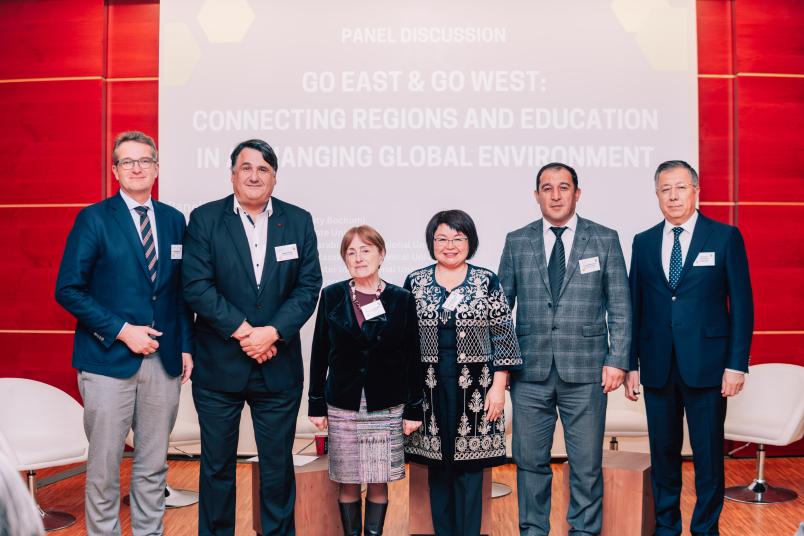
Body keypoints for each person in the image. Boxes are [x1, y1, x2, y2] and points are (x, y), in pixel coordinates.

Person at [55, 131, 194, 536]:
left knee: (153, 464)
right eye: (127, 161)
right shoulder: (94, 219)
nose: (137, 168)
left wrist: (186, 346)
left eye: (144, 160)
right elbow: (68, 289)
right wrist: (121, 330)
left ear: (156, 168)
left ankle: (150, 532)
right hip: (107, 362)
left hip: (163, 362)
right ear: (115, 170)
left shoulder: (173, 220)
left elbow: (179, 293)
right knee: (104, 466)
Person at [182, 139, 322, 535]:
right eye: (246, 168)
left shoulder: (298, 220)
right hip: (218, 366)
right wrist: (247, 334)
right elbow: (196, 286)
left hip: (277, 367)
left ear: (274, 178)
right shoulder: (206, 219)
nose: (254, 175)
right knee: (217, 468)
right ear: (232, 174)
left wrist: (272, 333)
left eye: (263, 169)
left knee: (278, 470)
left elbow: (308, 286)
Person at [498, 162, 631, 535]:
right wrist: (504, 367)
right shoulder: (517, 240)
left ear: (577, 192)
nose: (555, 195)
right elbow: (500, 309)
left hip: (587, 370)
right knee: (529, 461)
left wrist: (618, 359)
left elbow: (620, 304)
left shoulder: (604, 238)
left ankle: (584, 531)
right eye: (547, 188)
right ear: (536, 194)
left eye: (563, 187)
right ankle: (533, 530)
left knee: (586, 463)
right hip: (530, 372)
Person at [626, 160, 753, 536]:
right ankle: (667, 528)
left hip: (710, 367)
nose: (673, 196)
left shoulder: (724, 237)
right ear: (657, 195)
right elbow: (636, 307)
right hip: (657, 366)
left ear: (696, 191)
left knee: (708, 457)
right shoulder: (644, 241)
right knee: (664, 457)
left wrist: (737, 364)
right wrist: (631, 364)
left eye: (680, 187)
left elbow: (742, 306)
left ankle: (705, 529)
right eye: (665, 189)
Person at [404, 210, 522, 536]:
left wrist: (498, 389)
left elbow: (503, 337)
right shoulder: (415, 282)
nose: (450, 245)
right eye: (442, 238)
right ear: (432, 242)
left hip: (476, 388)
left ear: (470, 242)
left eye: (458, 238)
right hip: (428, 388)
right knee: (437, 469)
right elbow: (403, 342)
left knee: (470, 472)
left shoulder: (486, 281)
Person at [308, 225, 423, 536]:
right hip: (343, 403)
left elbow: (413, 357)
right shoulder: (331, 296)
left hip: (386, 404)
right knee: (347, 479)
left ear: (381, 254)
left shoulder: (402, 299)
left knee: (377, 478)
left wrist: (414, 410)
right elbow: (320, 352)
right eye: (351, 252)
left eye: (366, 250)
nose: (358, 257)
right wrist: (316, 404)